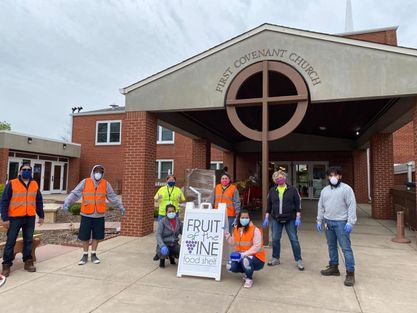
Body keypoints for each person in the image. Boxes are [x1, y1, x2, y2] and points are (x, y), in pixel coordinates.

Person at [63, 164, 125, 265]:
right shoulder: (85, 182)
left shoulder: (106, 184)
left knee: (97, 236)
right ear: (93, 172)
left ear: (102, 173)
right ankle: (84, 255)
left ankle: (94, 254)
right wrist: (67, 201)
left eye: (100, 172)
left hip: (99, 215)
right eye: (96, 171)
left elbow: (112, 196)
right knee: (85, 236)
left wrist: (120, 206)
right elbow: (75, 193)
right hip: (86, 214)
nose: (98, 174)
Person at [1, 163, 44, 277]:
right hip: (14, 218)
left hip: (29, 217)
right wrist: (5, 218)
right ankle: (6, 265)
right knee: (11, 241)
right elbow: (4, 201)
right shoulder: (12, 183)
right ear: (20, 172)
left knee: (28, 240)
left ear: (31, 172)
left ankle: (28, 262)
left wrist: (41, 215)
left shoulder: (34, 184)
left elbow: (38, 201)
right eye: (24, 169)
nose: (26, 171)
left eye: (28, 170)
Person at [317, 166, 357, 287]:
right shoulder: (325, 190)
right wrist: (319, 220)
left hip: (341, 222)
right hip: (328, 222)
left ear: (340, 176)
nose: (333, 177)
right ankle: (334, 267)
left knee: (345, 248)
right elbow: (321, 206)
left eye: (335, 175)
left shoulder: (346, 189)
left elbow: (351, 206)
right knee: (331, 246)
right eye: (330, 175)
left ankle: (350, 273)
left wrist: (350, 222)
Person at [263, 170, 304, 270]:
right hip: (276, 219)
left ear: (285, 178)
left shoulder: (292, 190)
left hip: (290, 219)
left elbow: (298, 203)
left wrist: (298, 217)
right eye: (277, 178)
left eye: (281, 177)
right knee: (275, 239)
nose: (279, 179)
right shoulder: (272, 191)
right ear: (275, 180)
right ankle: (275, 258)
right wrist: (266, 218)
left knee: (294, 239)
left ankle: (298, 260)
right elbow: (269, 205)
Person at [224, 209, 265, 288]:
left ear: (249, 219)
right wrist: (227, 235)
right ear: (239, 218)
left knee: (246, 260)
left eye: (246, 217)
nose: (244, 219)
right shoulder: (236, 229)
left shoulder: (255, 230)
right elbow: (233, 242)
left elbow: (257, 246)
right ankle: (246, 271)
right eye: (242, 217)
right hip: (242, 257)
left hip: (257, 258)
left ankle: (249, 278)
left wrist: (243, 254)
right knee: (230, 266)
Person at [155, 204, 183, 268]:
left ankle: (172, 256)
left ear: (175, 212)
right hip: (165, 243)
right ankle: (162, 261)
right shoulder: (162, 221)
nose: (171, 213)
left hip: (174, 244)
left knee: (181, 251)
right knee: (163, 251)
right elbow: (158, 234)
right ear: (166, 212)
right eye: (169, 212)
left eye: (173, 211)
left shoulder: (178, 221)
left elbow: (182, 231)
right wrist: (162, 245)